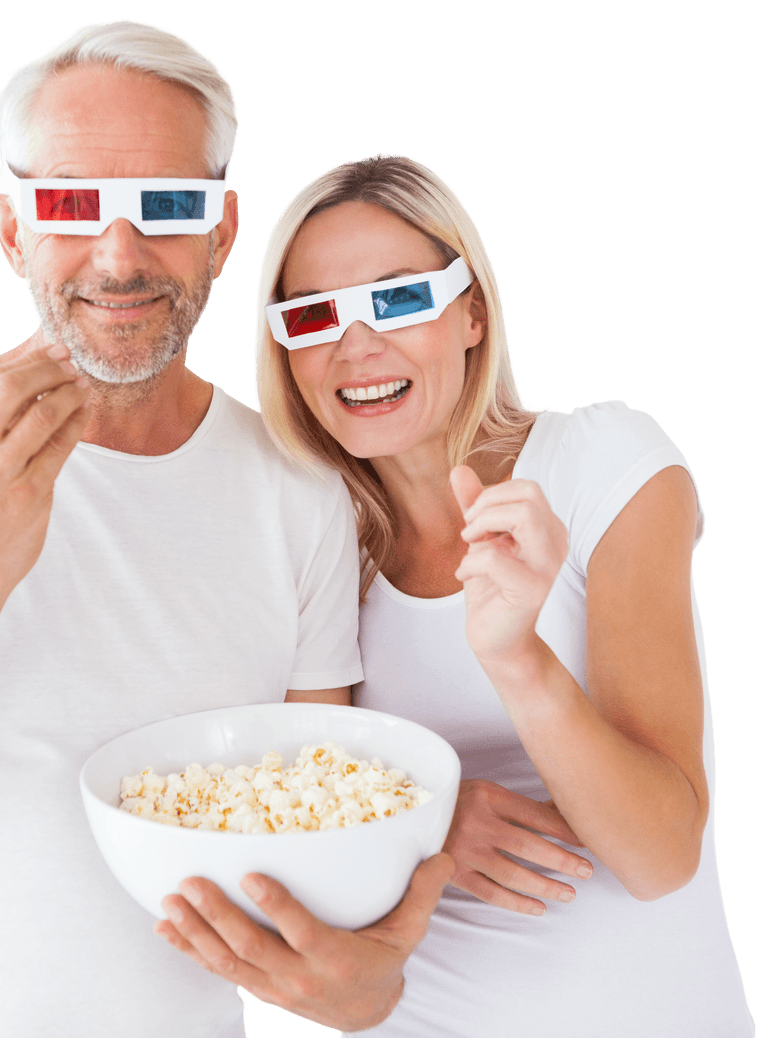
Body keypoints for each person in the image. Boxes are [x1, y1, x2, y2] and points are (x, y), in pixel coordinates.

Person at [0, 25, 452, 1038]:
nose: (120, 256)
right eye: (68, 204)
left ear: (222, 231)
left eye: (167, 206)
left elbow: (312, 851)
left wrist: (364, 981)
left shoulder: (300, 490)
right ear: (11, 227)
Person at [158, 153, 755, 1035]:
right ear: (285, 349)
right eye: (314, 314)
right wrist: (427, 822)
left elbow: (662, 854)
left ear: (472, 311)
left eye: (398, 299)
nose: (357, 347)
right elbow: (291, 832)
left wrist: (518, 657)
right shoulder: (314, 549)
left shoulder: (605, 465)